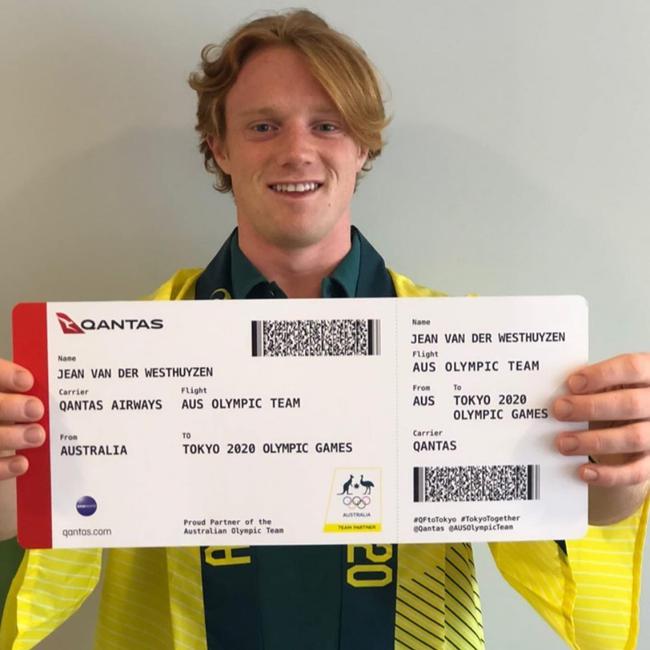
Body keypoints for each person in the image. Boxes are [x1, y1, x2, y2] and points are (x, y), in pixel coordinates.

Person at [0, 9, 648, 650]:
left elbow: (566, 515)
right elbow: (32, 531)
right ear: (219, 147)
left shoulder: (466, 345)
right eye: (262, 125)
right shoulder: (114, 356)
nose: (296, 150)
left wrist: (621, 470)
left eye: (327, 124)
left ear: (362, 144)